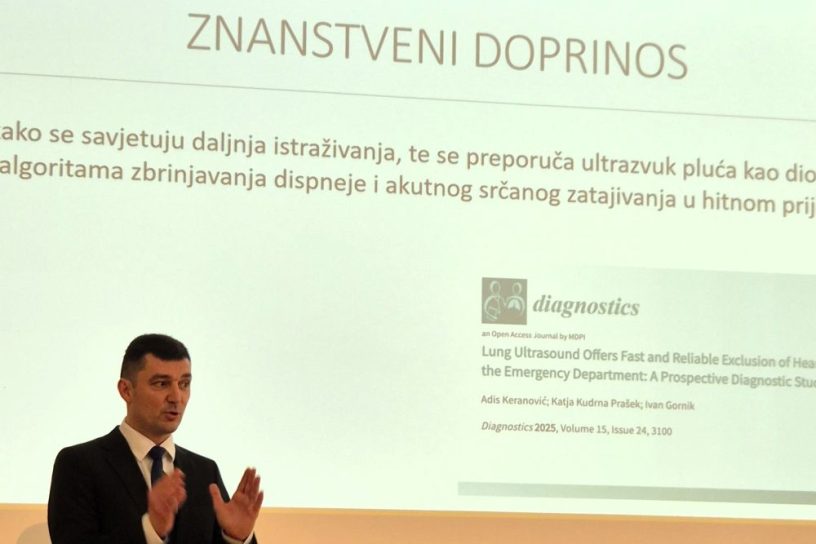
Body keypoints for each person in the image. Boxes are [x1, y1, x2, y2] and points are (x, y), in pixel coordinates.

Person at [48, 333, 263, 544]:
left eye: (184, 384)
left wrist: (236, 538)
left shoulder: (205, 472)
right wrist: (150, 531)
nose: (176, 397)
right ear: (126, 390)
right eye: (161, 384)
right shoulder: (79, 464)